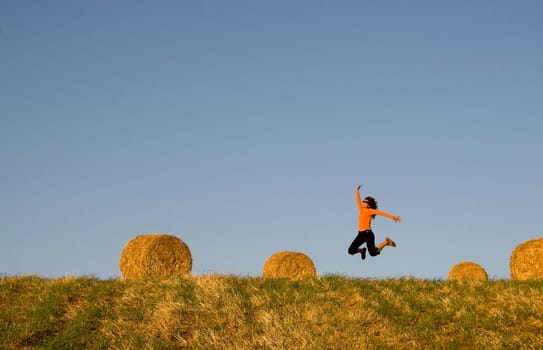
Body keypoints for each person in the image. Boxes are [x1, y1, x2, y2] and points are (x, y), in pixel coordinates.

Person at [348, 184, 401, 260]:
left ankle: (386, 242)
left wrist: (393, 217)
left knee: (373, 253)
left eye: (365, 201)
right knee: (351, 251)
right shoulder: (361, 210)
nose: (363, 202)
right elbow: (358, 201)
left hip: (368, 234)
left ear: (369, 205)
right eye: (363, 201)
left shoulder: (371, 211)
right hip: (360, 234)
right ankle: (362, 250)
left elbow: (382, 213)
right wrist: (357, 191)